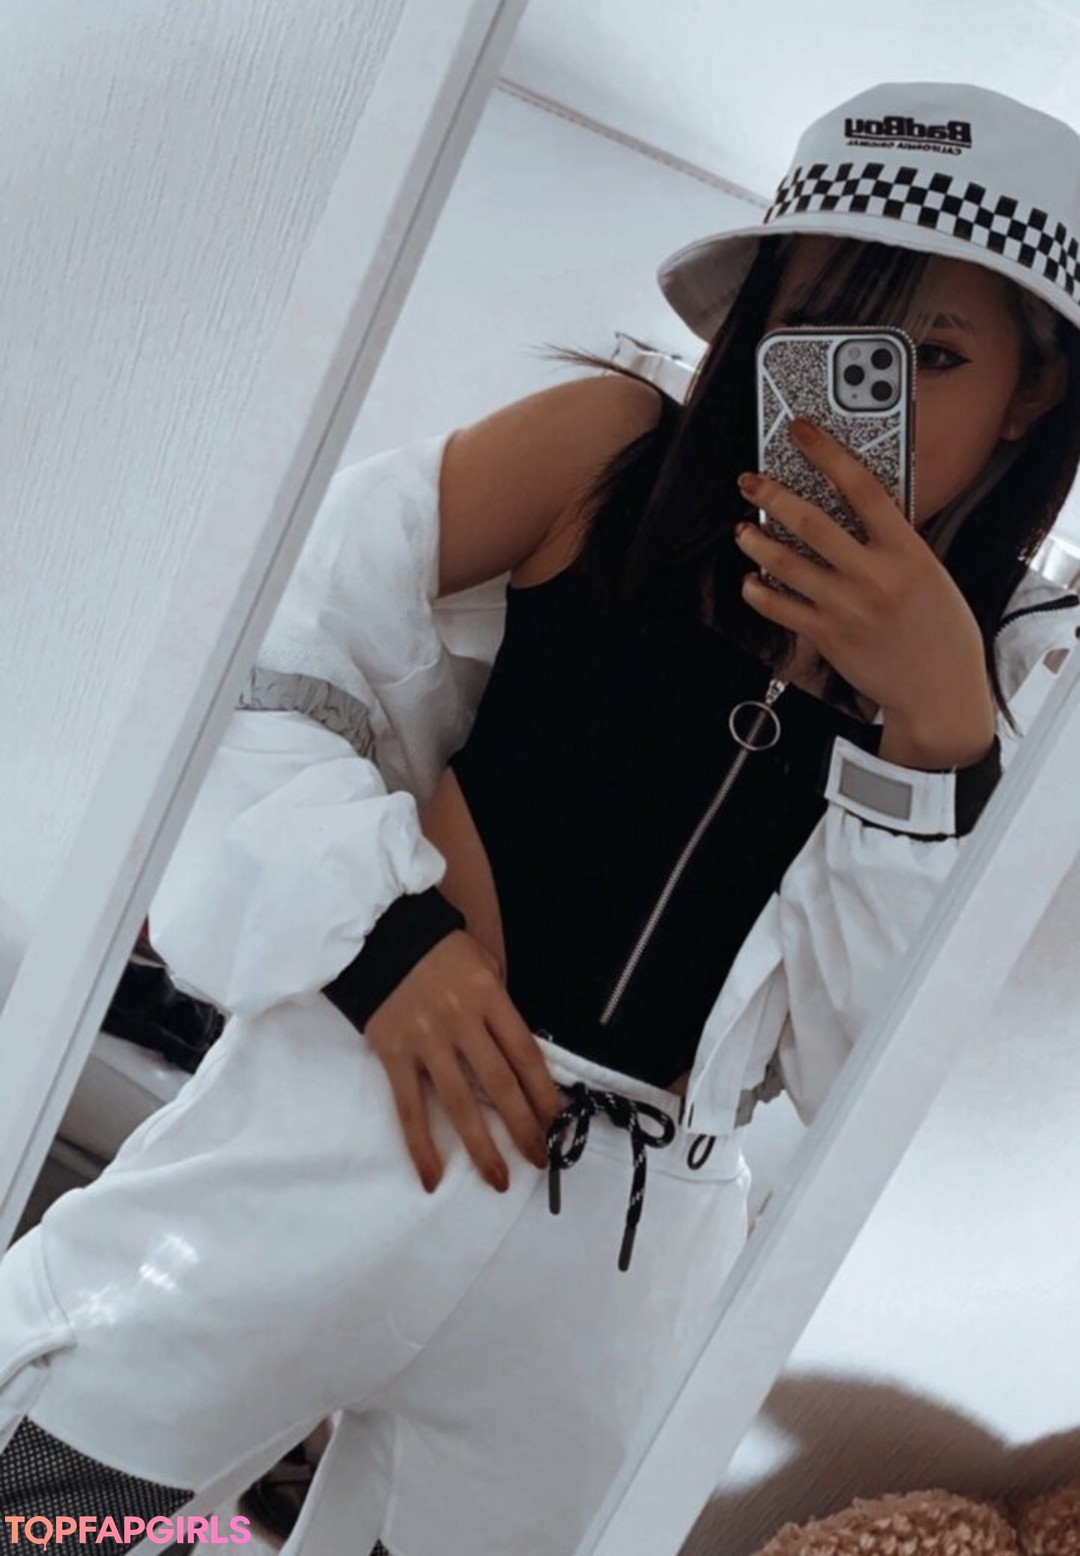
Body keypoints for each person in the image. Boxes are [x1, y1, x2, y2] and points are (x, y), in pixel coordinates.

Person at [2, 80, 1079, 1556]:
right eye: (818, 324)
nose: (852, 393)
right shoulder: (609, 453)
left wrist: (933, 736)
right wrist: (383, 943)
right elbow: (258, 658)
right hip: (354, 1117)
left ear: (1034, 394)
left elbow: (862, 1075)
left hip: (619, 1265)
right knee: (46, 1504)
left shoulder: (1018, 692)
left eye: (934, 357)